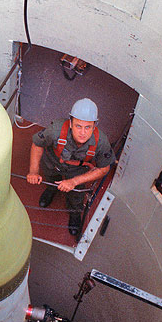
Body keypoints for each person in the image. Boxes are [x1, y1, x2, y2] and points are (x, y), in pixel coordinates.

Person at [27, 98, 115, 236]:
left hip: (77, 171)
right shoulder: (56, 130)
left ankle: (75, 214)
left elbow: (104, 169)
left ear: (94, 126)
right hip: (53, 162)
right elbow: (37, 144)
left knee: (76, 196)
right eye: (78, 126)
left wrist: (74, 182)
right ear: (71, 123)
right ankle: (51, 190)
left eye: (88, 127)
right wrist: (33, 171)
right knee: (50, 179)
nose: (83, 133)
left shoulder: (101, 142)